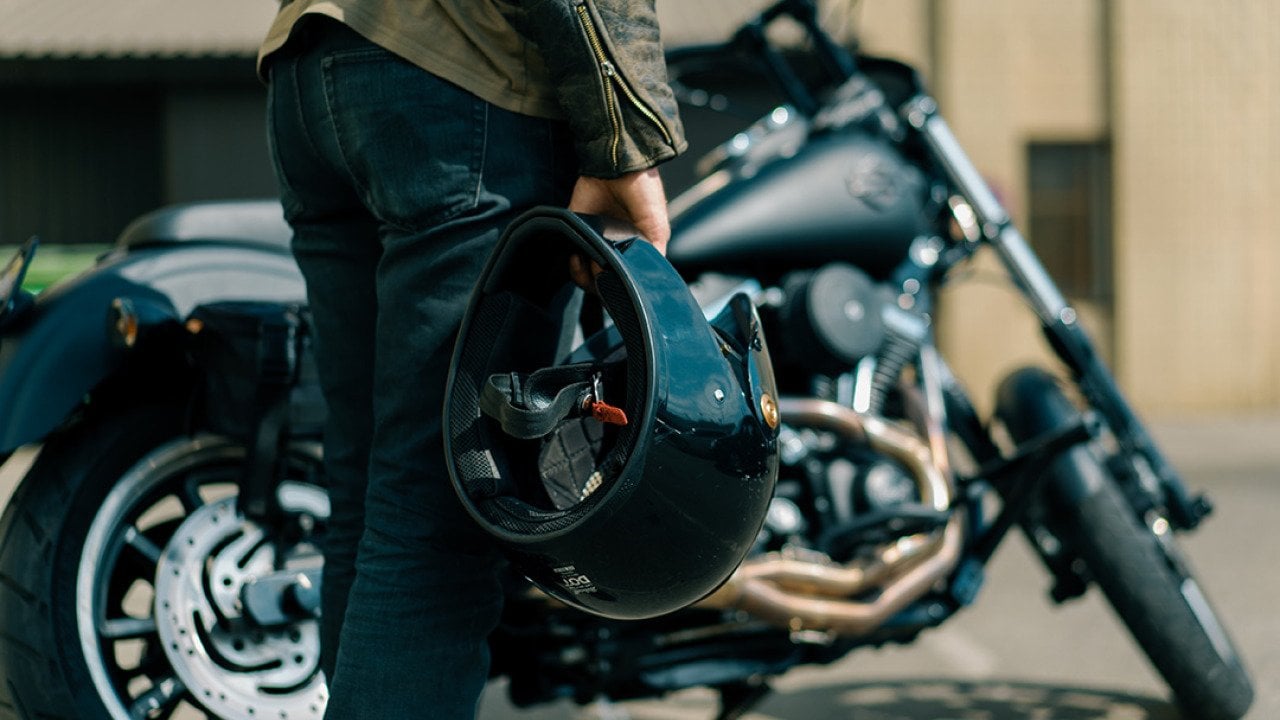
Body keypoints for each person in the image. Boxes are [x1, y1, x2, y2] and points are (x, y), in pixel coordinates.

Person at [257, 1, 686, 717]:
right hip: (459, 82)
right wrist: (623, 138)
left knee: (373, 501)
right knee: (439, 518)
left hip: (311, 67)